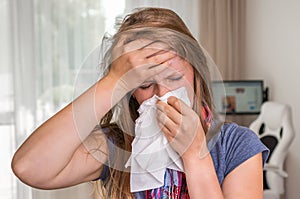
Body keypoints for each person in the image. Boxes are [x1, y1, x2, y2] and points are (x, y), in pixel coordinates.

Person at [11, 7, 269, 199]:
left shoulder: (236, 146)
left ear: (196, 72)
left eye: (173, 77)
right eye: (144, 85)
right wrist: (114, 81)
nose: (162, 94)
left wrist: (195, 155)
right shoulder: (119, 145)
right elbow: (29, 167)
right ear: (130, 93)